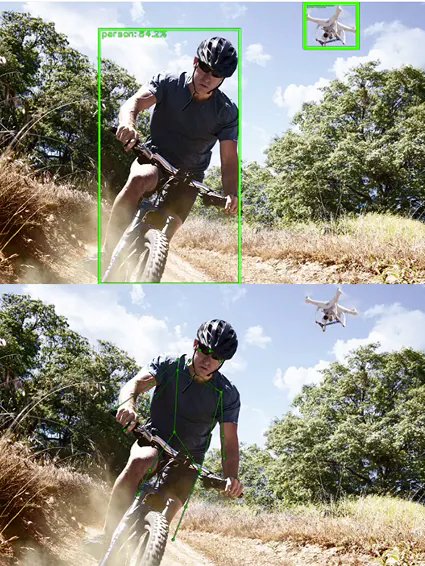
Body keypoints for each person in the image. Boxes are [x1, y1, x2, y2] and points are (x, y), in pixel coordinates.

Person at [86, 319, 244, 553]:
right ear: (195, 344)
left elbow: (229, 442)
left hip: (190, 458)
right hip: (154, 439)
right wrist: (128, 404)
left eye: (216, 357)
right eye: (204, 350)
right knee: (141, 460)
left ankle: (145, 553)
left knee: (169, 510)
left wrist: (231, 477)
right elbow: (134, 385)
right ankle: (107, 537)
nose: (207, 360)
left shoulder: (227, 394)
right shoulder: (169, 366)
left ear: (223, 361)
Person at [102, 37, 240, 264]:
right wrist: (128, 124)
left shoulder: (226, 111)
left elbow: (229, 159)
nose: (207, 77)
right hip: (155, 158)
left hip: (190, 176)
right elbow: (133, 103)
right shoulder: (169, 82)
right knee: (138, 180)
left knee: (170, 225)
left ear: (223, 78)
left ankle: (146, 266)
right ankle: (105, 255)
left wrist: (231, 193)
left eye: (216, 74)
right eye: (205, 68)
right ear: (195, 61)